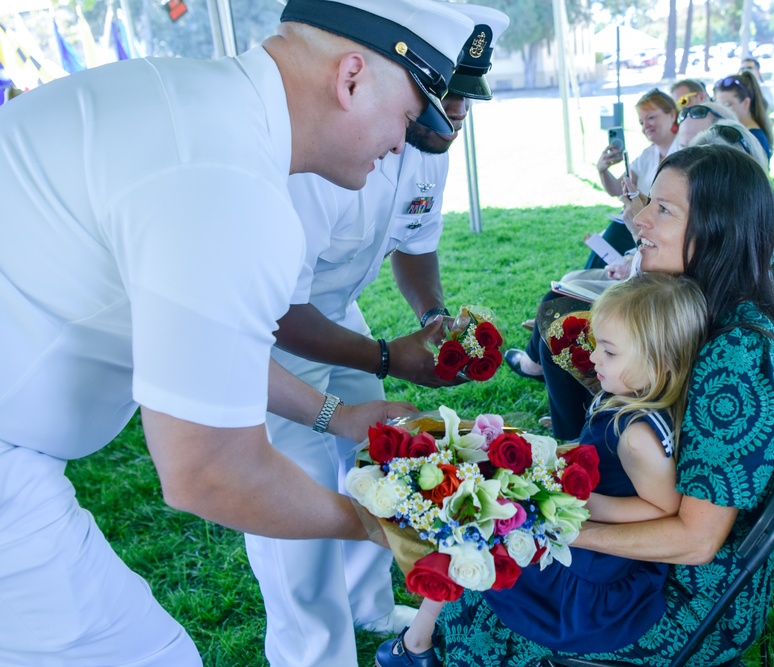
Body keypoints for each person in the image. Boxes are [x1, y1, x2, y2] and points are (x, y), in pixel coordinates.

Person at [0, 1, 477, 664]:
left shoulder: (201, 108)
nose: (403, 143)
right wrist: (378, 525)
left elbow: (206, 349)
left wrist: (341, 416)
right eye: (409, 115)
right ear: (351, 79)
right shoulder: (230, 188)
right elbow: (207, 470)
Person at [444, 144, 774, 667]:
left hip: (684, 598)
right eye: (647, 202)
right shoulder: (710, 311)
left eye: (663, 210)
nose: (639, 221)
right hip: (649, 571)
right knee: (482, 544)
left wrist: (554, 527)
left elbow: (697, 541)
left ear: (718, 230)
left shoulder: (738, 356)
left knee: (479, 583)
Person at [242, 6, 509, 666]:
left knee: (374, 460)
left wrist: (432, 318)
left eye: (466, 98)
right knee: (294, 494)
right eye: (444, 96)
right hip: (271, 334)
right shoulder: (319, 152)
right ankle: (313, 652)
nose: (457, 113)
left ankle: (366, 605)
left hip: (338, 315)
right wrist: (390, 358)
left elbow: (416, 244)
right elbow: (278, 312)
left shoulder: (430, 147)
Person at [376, 272, 709, 667]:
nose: (595, 358)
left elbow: (664, 508)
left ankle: (416, 646)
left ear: (660, 361)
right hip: (589, 548)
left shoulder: (638, 434)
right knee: (479, 510)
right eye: (596, 344)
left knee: (476, 532)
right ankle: (420, 639)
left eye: (610, 351)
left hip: (591, 583)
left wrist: (578, 504)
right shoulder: (629, 401)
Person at [504, 103, 739, 390]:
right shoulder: (664, 169)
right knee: (560, 301)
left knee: (558, 317)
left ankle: (561, 395)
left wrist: (635, 239)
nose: (688, 150)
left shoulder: (709, 321)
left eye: (662, 208)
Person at [590, 89, 681, 267]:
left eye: (651, 117)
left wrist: (642, 202)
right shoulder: (648, 155)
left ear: (672, 114)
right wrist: (602, 170)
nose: (645, 126)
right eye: (641, 121)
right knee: (607, 240)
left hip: (665, 232)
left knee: (615, 234)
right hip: (639, 225)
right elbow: (617, 189)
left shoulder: (686, 150)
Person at [714, 71, 774, 160]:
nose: (721, 111)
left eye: (727, 105)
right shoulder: (736, 131)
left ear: (746, 103)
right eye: (718, 105)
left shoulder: (754, 138)